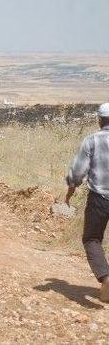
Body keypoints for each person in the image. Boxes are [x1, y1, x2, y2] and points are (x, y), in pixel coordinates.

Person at [66, 102, 109, 301]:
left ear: (99, 120)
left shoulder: (91, 140)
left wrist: (71, 189)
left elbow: (78, 171)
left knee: (92, 238)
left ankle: (105, 277)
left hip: (99, 198)